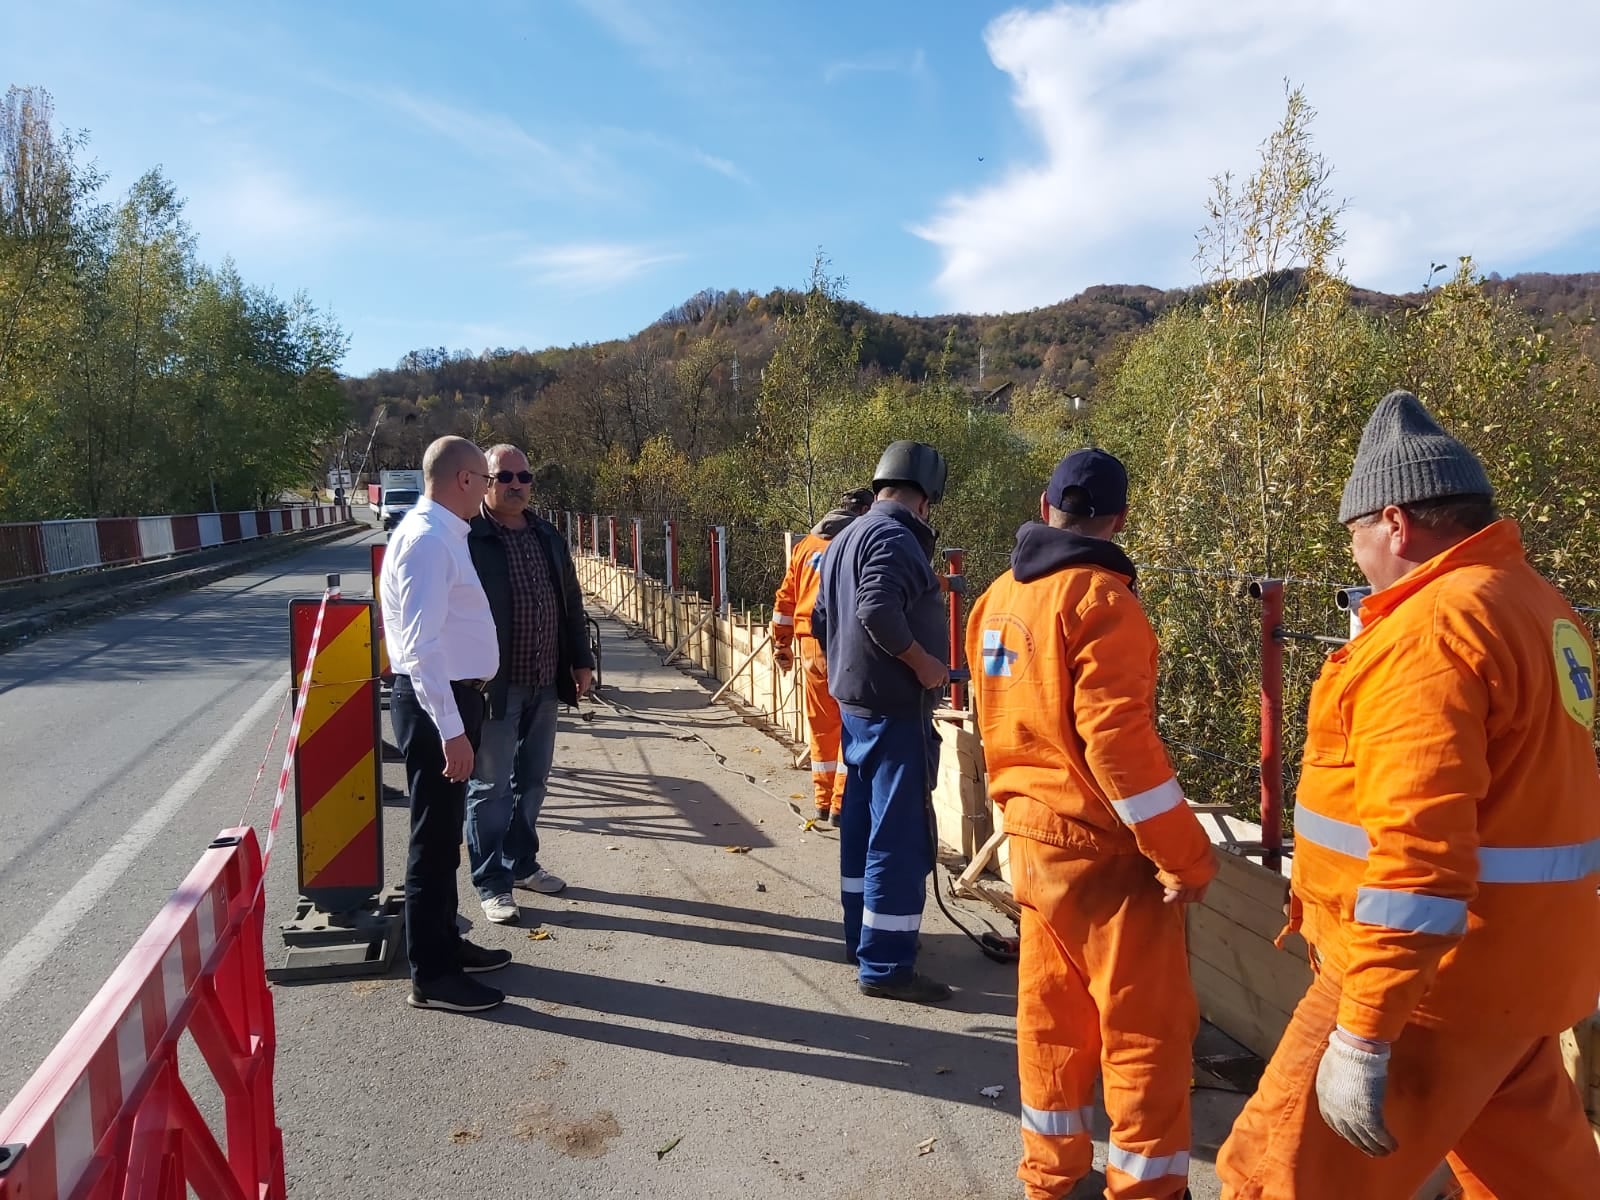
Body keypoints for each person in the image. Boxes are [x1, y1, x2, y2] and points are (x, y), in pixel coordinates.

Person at [1217, 391, 1600, 1198]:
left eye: (1353, 535)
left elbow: (1418, 862)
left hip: (1426, 989)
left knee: (1270, 1176)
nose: (1354, 556)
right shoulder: (1538, 605)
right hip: (1523, 978)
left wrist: (1364, 1032)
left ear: (1395, 523)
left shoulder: (1432, 630)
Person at [966, 448, 1217, 1200]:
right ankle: (1147, 1189)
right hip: (1105, 857)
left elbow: (994, 717)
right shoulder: (1104, 603)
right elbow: (1118, 748)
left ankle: (1052, 1177)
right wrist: (1185, 856)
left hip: (1032, 842)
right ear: (1120, 520)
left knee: (1051, 1022)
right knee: (1145, 1033)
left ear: (1046, 507)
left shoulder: (997, 598)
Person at [812, 440, 953, 1004]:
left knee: (862, 827)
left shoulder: (845, 537)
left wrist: (851, 666)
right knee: (898, 837)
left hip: (858, 708)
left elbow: (822, 618)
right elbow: (876, 608)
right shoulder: (895, 539)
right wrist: (924, 665)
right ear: (925, 498)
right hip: (895, 712)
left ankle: (863, 938)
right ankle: (888, 964)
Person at [379, 435, 512, 1013]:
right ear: (464, 480)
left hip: (453, 700)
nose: (488, 490)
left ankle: (444, 945)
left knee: (443, 838)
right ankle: (432, 975)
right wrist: (452, 730)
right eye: (486, 479)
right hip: (439, 705)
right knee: (433, 841)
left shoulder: (441, 534)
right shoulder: (429, 542)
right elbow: (421, 648)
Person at [465, 444, 595, 926]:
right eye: (505, 477)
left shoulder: (546, 534)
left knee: (534, 780)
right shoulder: (470, 536)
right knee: (490, 787)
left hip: (544, 680)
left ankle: (520, 864)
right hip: (494, 686)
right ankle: (491, 882)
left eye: (524, 477)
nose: (516, 485)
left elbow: (570, 602)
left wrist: (581, 661)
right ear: (485, 481)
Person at [770, 486, 875, 827]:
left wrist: (781, 644)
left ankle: (822, 799)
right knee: (851, 723)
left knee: (821, 726)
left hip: (809, 648)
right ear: (864, 512)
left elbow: (785, 600)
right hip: (844, 644)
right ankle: (842, 803)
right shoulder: (857, 544)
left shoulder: (806, 546)